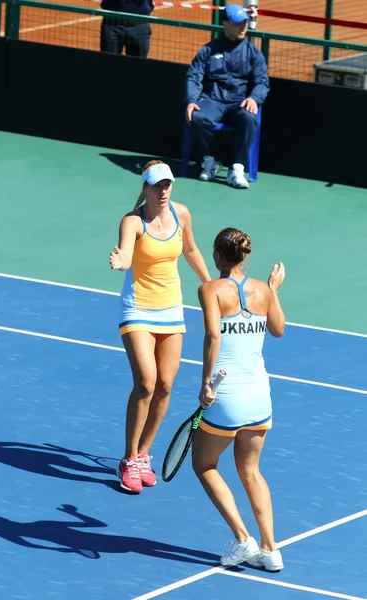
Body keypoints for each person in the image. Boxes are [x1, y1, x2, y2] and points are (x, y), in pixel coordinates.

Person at [109, 160, 211, 493]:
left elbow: (191, 249)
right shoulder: (133, 221)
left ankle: (142, 454)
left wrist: (211, 285)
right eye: (158, 186)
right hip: (137, 309)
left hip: (171, 310)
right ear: (146, 188)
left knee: (166, 385)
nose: (164, 190)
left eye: (168, 184)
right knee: (147, 381)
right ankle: (127, 458)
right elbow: (125, 253)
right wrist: (121, 261)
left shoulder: (181, 213)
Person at [192, 227, 285, 571]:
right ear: (244, 257)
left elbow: (213, 334)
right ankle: (271, 550)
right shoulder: (263, 289)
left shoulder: (210, 289)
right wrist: (273, 291)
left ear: (217, 256)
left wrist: (206, 384)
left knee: (203, 465)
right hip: (260, 394)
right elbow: (278, 329)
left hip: (227, 395)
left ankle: (242, 539)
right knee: (251, 471)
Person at [183, 4, 270, 189]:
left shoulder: (254, 54)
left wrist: (254, 98)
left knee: (248, 118)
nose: (243, 27)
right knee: (197, 117)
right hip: (212, 100)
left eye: (245, 23)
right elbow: (194, 76)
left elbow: (262, 82)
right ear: (225, 24)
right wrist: (191, 100)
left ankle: (237, 168)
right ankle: (212, 159)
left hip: (239, 102)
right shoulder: (208, 50)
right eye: (238, 23)